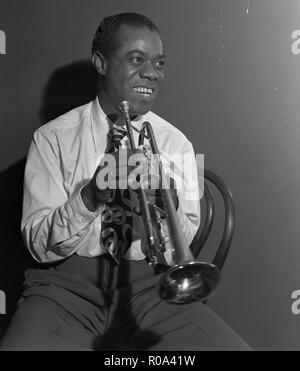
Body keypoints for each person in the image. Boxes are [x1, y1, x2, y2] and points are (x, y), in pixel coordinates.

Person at [0, 12, 250, 351]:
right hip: (65, 290)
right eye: (136, 60)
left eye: (159, 63)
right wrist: (89, 197)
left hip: (150, 289)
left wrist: (169, 205)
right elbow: (36, 243)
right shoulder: (52, 138)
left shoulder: (178, 144)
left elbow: (186, 236)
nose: (151, 73)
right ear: (100, 62)